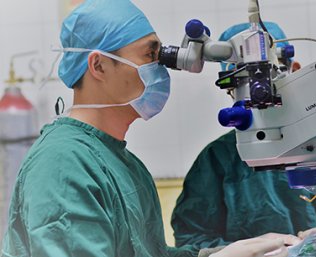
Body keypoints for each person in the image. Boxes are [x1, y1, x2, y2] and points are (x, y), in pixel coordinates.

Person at [0, 1, 289, 257]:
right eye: (150, 56)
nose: (162, 69)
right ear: (98, 66)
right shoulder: (63, 164)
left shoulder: (122, 162)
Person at [171, 22, 316, 249]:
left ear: (296, 71)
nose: (259, 99)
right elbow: (192, 240)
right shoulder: (217, 160)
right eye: (240, 87)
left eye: (270, 83)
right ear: (228, 89)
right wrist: (248, 251)